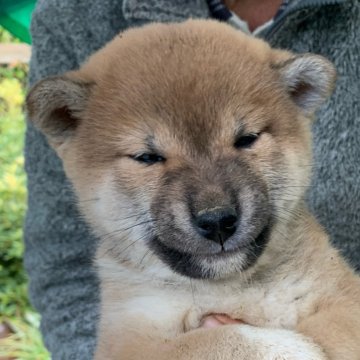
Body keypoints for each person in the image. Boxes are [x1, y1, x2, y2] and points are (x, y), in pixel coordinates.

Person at [25, 0, 360, 358]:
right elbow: (70, 285)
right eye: (149, 157)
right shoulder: (71, 17)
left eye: (245, 140)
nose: (214, 209)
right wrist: (246, 348)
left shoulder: (303, 254)